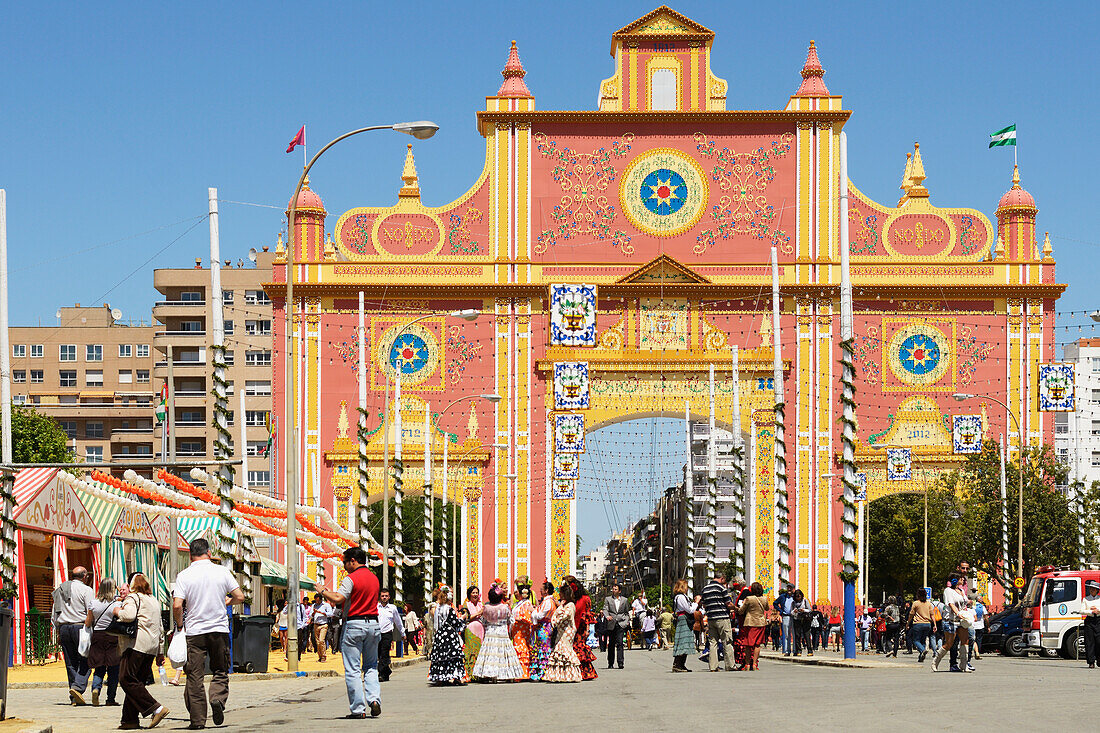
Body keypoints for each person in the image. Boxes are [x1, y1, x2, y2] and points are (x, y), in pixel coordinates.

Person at [172, 538, 245, 730]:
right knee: (220, 670)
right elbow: (240, 596)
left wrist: (180, 624)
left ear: (190, 555)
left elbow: (177, 605)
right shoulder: (221, 571)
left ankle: (197, 720)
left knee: (194, 676)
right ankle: (217, 699)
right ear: (209, 552)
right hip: (219, 629)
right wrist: (228, 602)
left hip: (195, 632)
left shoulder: (184, 575)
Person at [321, 546, 382, 719]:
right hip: (373, 624)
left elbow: (339, 598)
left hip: (355, 623)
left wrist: (322, 591)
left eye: (345, 562)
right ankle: (374, 699)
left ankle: (358, 709)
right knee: (371, 666)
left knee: (353, 669)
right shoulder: (374, 578)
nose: (344, 566)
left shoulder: (351, 578)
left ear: (353, 561)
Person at [114, 572, 169, 730]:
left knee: (126, 679)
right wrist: (159, 651)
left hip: (136, 645)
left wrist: (117, 610)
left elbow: (129, 615)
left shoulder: (133, 598)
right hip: (150, 647)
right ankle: (129, 720)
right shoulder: (154, 601)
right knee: (136, 682)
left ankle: (156, 708)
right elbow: (160, 628)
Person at [52, 566, 94, 705]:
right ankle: (78, 687)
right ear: (84, 576)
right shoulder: (86, 590)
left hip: (64, 627)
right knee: (86, 660)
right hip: (80, 627)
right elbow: (91, 610)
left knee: (70, 662)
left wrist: (57, 630)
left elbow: (55, 612)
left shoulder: (61, 589)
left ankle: (74, 695)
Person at [472, 582, 524, 681]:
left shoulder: (486, 607)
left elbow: (483, 620)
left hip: (490, 631)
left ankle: (489, 673)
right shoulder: (504, 607)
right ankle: (506, 674)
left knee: (490, 653)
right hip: (502, 631)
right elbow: (510, 620)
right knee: (504, 653)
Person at [85, 577, 122, 708]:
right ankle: (110, 698)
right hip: (113, 636)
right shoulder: (117, 604)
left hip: (98, 635)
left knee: (99, 667)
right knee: (113, 668)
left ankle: (96, 689)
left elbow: (88, 622)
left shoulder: (93, 603)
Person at [543, 581, 581, 683]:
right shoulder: (562, 604)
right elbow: (555, 615)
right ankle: (560, 675)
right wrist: (554, 620)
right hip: (560, 630)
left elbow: (566, 616)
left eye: (561, 593)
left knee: (565, 649)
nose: (559, 594)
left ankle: (570, 674)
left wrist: (556, 620)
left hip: (568, 630)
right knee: (559, 649)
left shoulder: (571, 605)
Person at [427, 586, 465, 685]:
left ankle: (441, 677)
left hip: (440, 635)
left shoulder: (437, 609)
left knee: (441, 655)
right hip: (450, 635)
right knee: (453, 656)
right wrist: (462, 619)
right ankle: (455, 677)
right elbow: (455, 623)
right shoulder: (449, 610)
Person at [562, 576, 597, 680]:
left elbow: (587, 615)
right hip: (570, 628)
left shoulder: (585, 599)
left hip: (581, 628)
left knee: (579, 648)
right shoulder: (570, 600)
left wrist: (587, 629)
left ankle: (583, 672)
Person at [932, 574, 968, 673]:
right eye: (961, 579)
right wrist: (957, 613)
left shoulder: (962, 591)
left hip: (962, 620)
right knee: (949, 644)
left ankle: (964, 664)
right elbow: (951, 604)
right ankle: (936, 660)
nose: (963, 580)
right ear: (955, 580)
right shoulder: (948, 591)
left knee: (965, 641)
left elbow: (964, 603)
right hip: (951, 620)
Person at [701, 571, 735, 672]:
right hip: (722, 617)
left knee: (712, 642)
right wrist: (735, 608)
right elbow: (728, 603)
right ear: (722, 578)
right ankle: (730, 665)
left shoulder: (705, 589)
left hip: (711, 618)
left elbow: (704, 605)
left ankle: (713, 666)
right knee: (727, 641)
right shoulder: (721, 588)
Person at [735, 582, 768, 671]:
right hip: (761, 623)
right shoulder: (764, 599)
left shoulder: (749, 599)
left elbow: (741, 611)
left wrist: (735, 608)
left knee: (748, 644)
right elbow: (767, 608)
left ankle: (747, 664)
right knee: (757, 645)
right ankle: (754, 664)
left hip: (750, 622)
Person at [671, 579, 700, 672]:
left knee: (685, 641)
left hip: (684, 618)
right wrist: (696, 603)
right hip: (684, 619)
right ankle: (677, 664)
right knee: (683, 641)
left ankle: (681, 664)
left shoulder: (682, 596)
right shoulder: (680, 597)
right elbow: (689, 610)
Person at [529, 580, 556, 681]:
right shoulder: (547, 601)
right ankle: (542, 672)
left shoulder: (548, 602)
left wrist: (533, 611)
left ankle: (543, 673)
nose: (540, 591)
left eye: (542, 589)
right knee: (542, 648)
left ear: (546, 590)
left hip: (544, 627)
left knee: (543, 649)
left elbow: (540, 615)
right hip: (544, 627)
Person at [376, 588, 404, 683]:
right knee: (379, 653)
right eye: (382, 596)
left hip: (387, 633)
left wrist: (402, 632)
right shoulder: (376, 607)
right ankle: (386, 671)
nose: (384, 598)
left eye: (386, 596)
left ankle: (381, 674)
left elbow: (398, 621)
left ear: (389, 597)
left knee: (384, 653)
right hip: (377, 633)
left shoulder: (392, 608)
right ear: (380, 597)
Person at [509, 577, 535, 679]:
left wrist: (519, 619)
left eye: (518, 592)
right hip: (516, 630)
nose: (516, 593)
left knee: (522, 649)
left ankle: (524, 672)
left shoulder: (527, 603)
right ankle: (518, 672)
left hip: (522, 630)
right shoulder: (518, 604)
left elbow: (528, 617)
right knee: (518, 649)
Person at [602, 583, 629, 669]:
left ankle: (620, 662)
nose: (613, 591)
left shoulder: (624, 600)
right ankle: (610, 662)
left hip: (621, 624)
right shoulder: (608, 599)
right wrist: (607, 616)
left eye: (615, 589)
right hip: (611, 623)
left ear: (619, 591)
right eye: (613, 589)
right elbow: (605, 609)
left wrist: (626, 622)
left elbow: (626, 612)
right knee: (611, 644)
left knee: (620, 643)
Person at [461, 586, 484, 682]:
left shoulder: (481, 604)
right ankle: (470, 674)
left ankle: (479, 674)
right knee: (471, 652)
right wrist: (478, 613)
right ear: (469, 594)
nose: (475, 595)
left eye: (476, 593)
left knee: (480, 651)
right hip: (470, 630)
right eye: (473, 593)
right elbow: (465, 618)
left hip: (481, 630)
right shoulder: (466, 605)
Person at [908, 587, 936, 663]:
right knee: (923, 640)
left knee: (916, 640)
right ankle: (921, 656)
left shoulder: (916, 603)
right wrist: (935, 625)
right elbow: (932, 615)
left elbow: (911, 614)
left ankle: (923, 650)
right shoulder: (928, 604)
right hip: (927, 624)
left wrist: (908, 623)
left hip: (918, 624)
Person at [1081, 579, 1100, 668]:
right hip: (1089, 621)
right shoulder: (1085, 599)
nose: (1092, 590)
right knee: (1089, 642)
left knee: (1099, 641)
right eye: (1091, 588)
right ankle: (1091, 661)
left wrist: (1098, 610)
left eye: (1094, 589)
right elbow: (1081, 610)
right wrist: (1090, 611)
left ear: (1097, 590)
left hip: (1099, 620)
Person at [790, 589, 812, 657]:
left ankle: (810, 650)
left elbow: (809, 610)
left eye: (799, 596)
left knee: (806, 635)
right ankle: (798, 650)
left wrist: (803, 610)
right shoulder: (793, 603)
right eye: (797, 596)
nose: (798, 598)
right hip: (797, 619)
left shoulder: (805, 601)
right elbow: (791, 612)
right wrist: (795, 611)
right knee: (797, 635)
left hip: (805, 619)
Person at [773, 584, 794, 655]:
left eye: (791, 588)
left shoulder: (795, 596)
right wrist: (780, 610)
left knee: (794, 634)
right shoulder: (783, 597)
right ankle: (786, 650)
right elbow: (775, 603)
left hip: (794, 617)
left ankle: (794, 650)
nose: (789, 589)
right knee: (786, 633)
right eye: (788, 588)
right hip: (786, 616)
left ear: (793, 589)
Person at [313, 594, 333, 662]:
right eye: (316, 600)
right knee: (317, 642)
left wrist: (322, 613)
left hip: (323, 624)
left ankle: (324, 656)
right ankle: (320, 656)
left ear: (321, 599)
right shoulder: (314, 605)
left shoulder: (326, 605)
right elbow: (310, 615)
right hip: (316, 624)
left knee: (321, 640)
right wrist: (313, 613)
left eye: (318, 600)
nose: (317, 602)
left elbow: (330, 614)